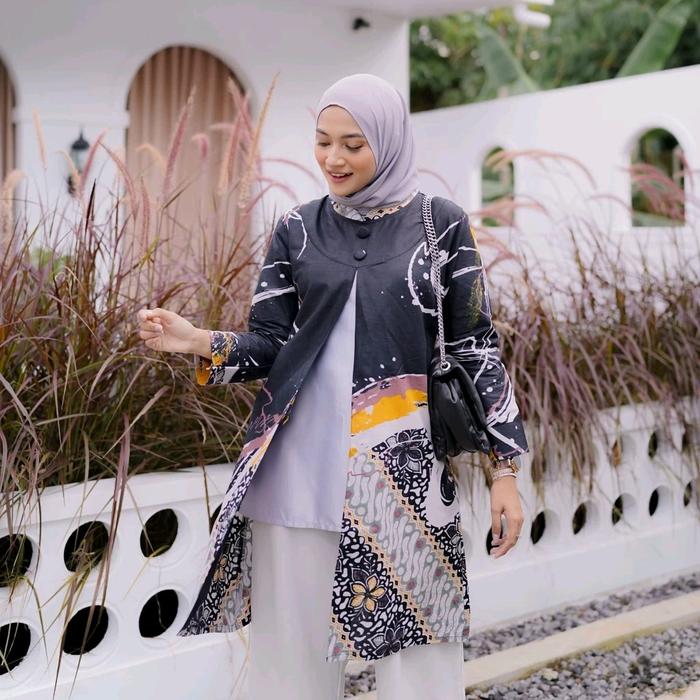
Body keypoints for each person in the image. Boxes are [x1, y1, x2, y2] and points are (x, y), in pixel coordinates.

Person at [136, 73, 528, 700]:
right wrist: (197, 340)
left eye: (353, 144)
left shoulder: (441, 225)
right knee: (289, 670)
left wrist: (504, 469)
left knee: (422, 658)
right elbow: (272, 344)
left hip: (403, 480)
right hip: (296, 475)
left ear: (389, 141)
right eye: (323, 141)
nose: (333, 158)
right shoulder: (298, 228)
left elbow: (475, 346)